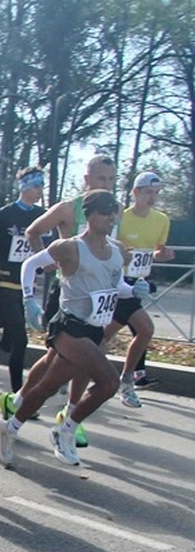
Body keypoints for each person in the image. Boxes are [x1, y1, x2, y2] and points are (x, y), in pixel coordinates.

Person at [0, 190, 132, 467]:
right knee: (109, 383)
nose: (110, 217)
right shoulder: (70, 247)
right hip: (70, 327)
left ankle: (9, 428)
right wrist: (29, 300)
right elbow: (31, 264)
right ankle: (64, 430)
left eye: (113, 211)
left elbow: (112, 284)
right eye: (104, 211)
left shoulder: (117, 252)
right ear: (89, 215)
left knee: (47, 386)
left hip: (95, 328)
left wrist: (133, 290)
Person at [104, 172, 175, 405]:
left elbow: (156, 250)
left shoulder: (162, 220)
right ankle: (121, 381)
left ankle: (124, 380)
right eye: (147, 193)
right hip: (117, 284)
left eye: (156, 193)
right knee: (139, 329)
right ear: (136, 193)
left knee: (115, 334)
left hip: (139, 284)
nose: (152, 198)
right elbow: (106, 246)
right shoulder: (120, 218)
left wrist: (161, 255)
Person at [0, 166, 46, 393]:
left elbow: (47, 248)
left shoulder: (42, 217)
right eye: (36, 185)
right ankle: (19, 395)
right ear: (24, 186)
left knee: (7, 343)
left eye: (42, 186)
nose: (39, 191)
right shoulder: (4, 216)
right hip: (5, 283)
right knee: (21, 341)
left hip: (26, 287)